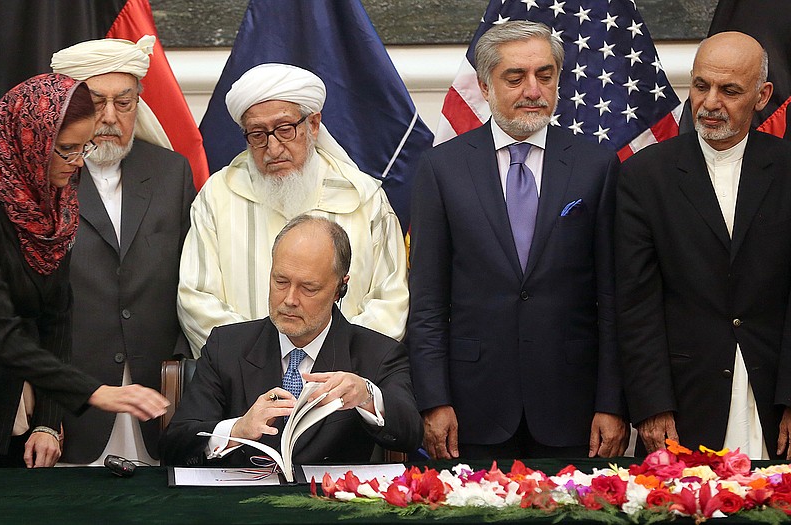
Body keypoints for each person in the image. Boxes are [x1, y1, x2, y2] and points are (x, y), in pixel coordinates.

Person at [408, 21, 627, 460]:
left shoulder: (597, 166)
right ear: (486, 87)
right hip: (471, 409)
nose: (533, 90)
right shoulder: (441, 168)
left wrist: (612, 403)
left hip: (573, 409)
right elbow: (428, 302)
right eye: (516, 77)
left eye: (545, 76)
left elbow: (614, 299)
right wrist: (433, 400)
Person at [616, 31, 791, 459]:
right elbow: (636, 302)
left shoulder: (787, 169)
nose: (710, 103)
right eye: (700, 86)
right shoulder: (644, 176)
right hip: (685, 399)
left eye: (729, 90)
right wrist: (652, 404)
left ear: (762, 95)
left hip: (773, 397)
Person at [0, 73, 169, 467]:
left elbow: (57, 317)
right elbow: (0, 333)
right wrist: (95, 392)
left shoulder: (55, 206)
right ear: (29, 142)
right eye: (67, 150)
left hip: (10, 422)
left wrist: (48, 422)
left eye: (82, 148)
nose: (76, 165)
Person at [176, 63, 408, 357]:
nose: (272, 149)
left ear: (312, 124)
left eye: (284, 130)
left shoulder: (364, 198)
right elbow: (196, 299)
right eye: (257, 135)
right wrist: (258, 365)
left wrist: (327, 362)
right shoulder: (217, 195)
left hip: (342, 381)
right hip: (242, 383)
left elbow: (390, 302)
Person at [161, 215, 422, 466]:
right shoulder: (226, 346)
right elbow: (175, 445)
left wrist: (367, 396)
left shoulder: (377, 354)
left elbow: (410, 434)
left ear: (340, 288)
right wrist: (237, 430)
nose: (290, 299)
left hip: (330, 504)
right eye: (280, 281)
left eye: (308, 288)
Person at [50, 36, 196, 466]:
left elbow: (191, 276)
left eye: (124, 103)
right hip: (74, 401)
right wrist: (48, 410)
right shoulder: (48, 178)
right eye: (96, 103)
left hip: (160, 395)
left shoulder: (172, 172)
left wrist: (181, 377)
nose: (110, 118)